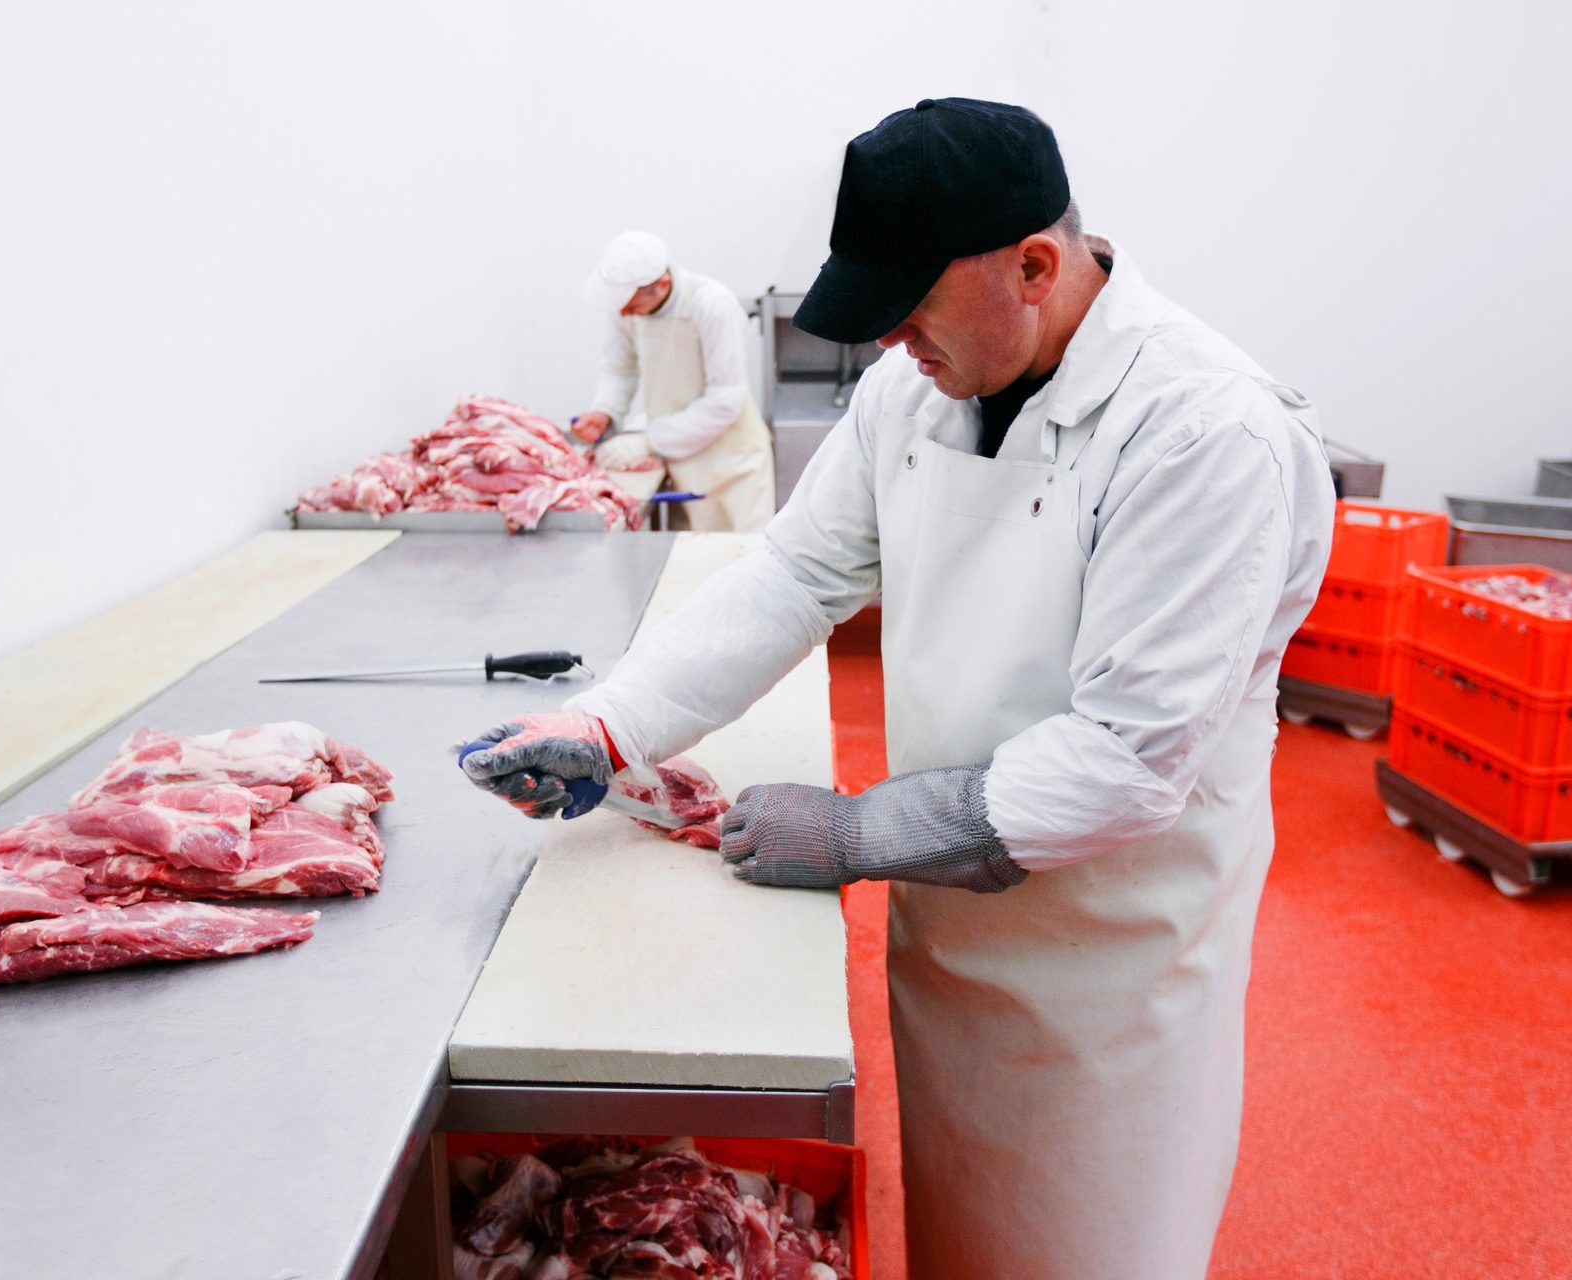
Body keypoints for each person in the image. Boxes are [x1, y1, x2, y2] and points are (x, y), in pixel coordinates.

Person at [462, 99, 1334, 1279]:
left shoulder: (1203, 431)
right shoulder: (914, 390)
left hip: (1110, 976)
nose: (890, 347)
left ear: (1035, 265)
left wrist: (862, 827)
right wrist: (608, 721)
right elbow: (793, 574)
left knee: (1085, 1246)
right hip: (952, 928)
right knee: (962, 1233)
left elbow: (1128, 762)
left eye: (911, 311)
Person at [570, 230, 776, 532]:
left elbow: (725, 400)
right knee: (690, 567)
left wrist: (649, 440)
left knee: (737, 558)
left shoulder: (712, 304)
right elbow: (619, 369)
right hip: (681, 459)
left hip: (733, 467)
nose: (625, 313)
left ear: (662, 285)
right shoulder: (626, 309)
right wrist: (604, 412)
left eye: (631, 305)